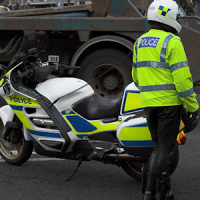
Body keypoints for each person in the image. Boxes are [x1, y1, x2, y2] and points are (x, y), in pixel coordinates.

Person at [132, 0, 199, 199]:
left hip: (148, 104)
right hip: (168, 104)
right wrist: (193, 106)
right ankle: (158, 193)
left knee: (158, 147)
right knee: (166, 148)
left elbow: (136, 77)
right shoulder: (172, 41)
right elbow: (182, 79)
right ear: (169, 17)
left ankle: (149, 192)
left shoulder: (140, 41)